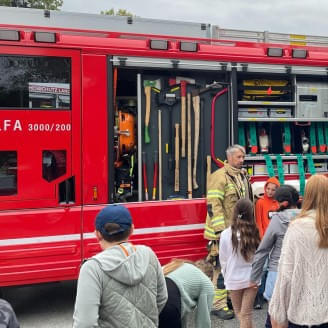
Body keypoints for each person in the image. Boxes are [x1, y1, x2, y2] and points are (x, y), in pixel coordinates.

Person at [73, 204, 168, 328]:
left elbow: (84, 324)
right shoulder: (148, 254)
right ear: (132, 229)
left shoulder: (92, 268)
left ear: (97, 234)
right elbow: (162, 298)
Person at [269, 175, 328, 328]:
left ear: (306, 196)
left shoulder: (297, 227)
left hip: (301, 314)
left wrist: (278, 312)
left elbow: (286, 273)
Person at [205, 144, 252, 320]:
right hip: (223, 233)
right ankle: (218, 305)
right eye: (239, 157)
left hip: (239, 230)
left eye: (243, 157)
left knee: (234, 267)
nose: (242, 160)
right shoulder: (219, 177)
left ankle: (230, 298)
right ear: (230, 157)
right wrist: (220, 232)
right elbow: (213, 204)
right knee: (220, 268)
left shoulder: (242, 175)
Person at [250, 185, 300, 328]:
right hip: (299, 272)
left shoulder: (278, 220)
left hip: (277, 272)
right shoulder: (306, 217)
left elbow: (263, 250)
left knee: (275, 316)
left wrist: (254, 278)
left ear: (282, 203)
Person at [219, 198, 260, 328]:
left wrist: (225, 275)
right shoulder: (255, 231)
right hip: (252, 278)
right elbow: (258, 256)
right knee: (246, 314)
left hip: (233, 278)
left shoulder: (226, 234)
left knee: (240, 314)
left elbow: (223, 259)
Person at [159, 259, 214, 328]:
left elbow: (182, 309)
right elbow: (203, 320)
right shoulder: (206, 282)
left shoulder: (178, 265)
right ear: (209, 278)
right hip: (168, 303)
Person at [253, 177, 280, 309]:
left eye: (273, 190)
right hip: (264, 240)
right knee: (262, 269)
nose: (270, 192)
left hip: (277, 242)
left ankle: (269, 294)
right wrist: (263, 240)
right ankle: (258, 297)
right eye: (268, 189)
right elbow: (259, 222)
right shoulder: (260, 203)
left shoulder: (279, 203)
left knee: (273, 268)